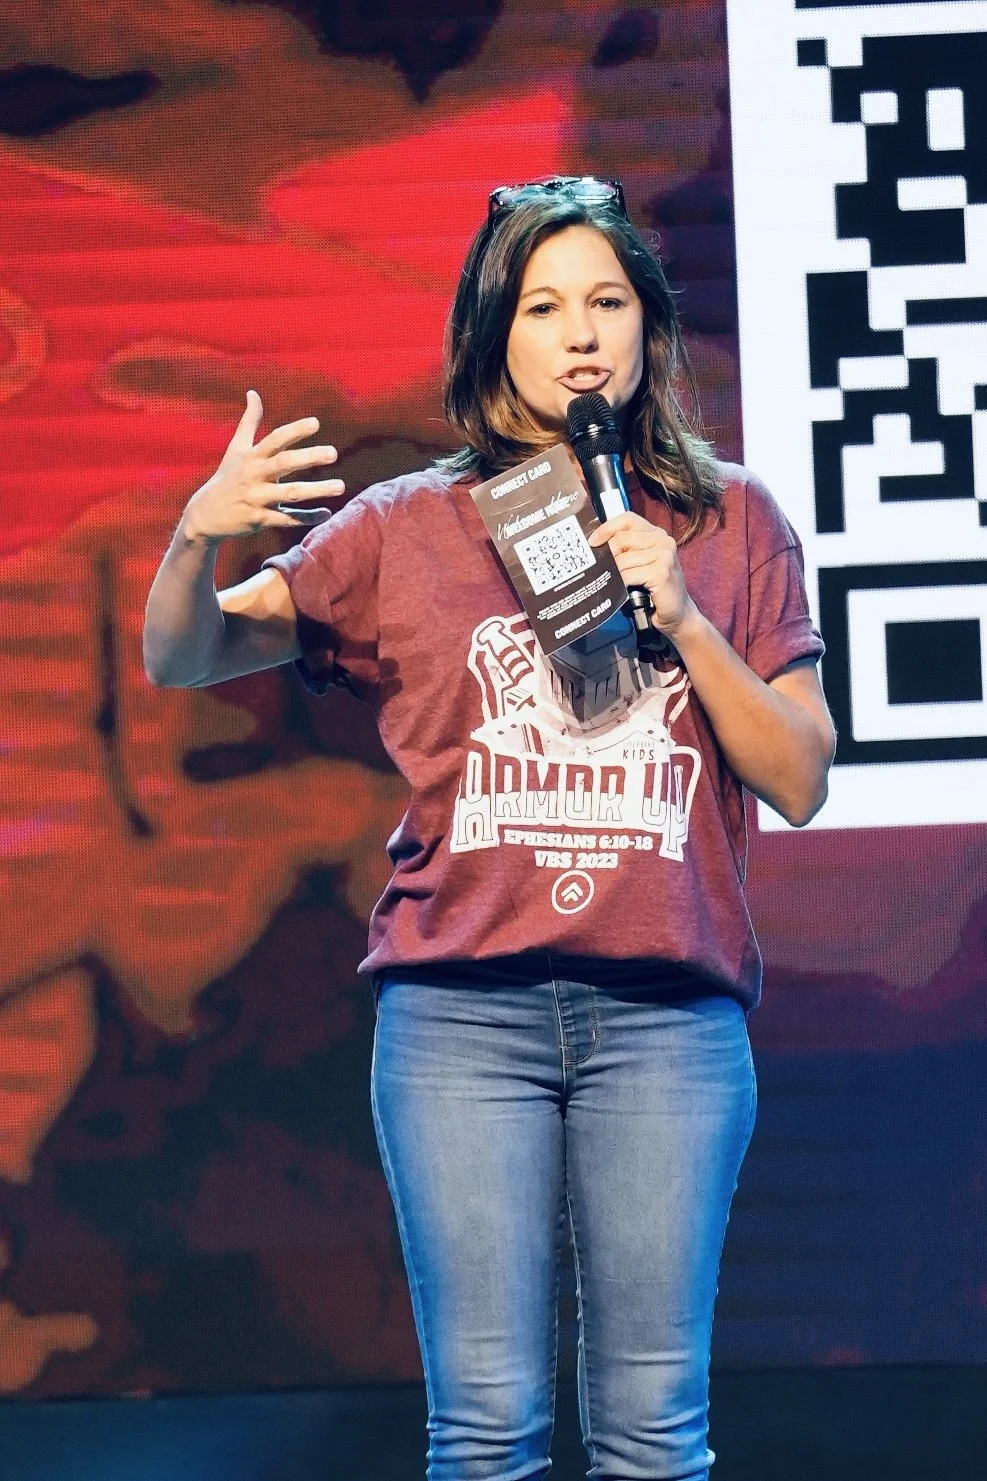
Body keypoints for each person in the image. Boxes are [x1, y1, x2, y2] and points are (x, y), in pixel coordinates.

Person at [144, 176, 835, 1481]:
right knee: (485, 1433)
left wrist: (685, 619)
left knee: (652, 1437)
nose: (580, 336)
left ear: (647, 324)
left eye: (607, 303)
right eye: (543, 306)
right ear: (492, 333)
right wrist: (195, 539)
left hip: (666, 1019)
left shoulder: (730, 520)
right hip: (462, 1020)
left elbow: (798, 778)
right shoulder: (406, 526)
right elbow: (184, 656)